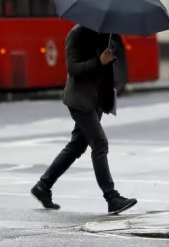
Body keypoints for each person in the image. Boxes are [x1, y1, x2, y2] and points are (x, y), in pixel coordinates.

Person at [30, 25, 137, 215]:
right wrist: (99, 61)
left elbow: (103, 67)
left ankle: (42, 186)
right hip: (80, 101)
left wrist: (110, 57)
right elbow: (73, 69)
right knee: (100, 143)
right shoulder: (76, 34)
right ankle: (111, 198)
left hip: (96, 100)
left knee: (77, 146)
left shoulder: (104, 34)